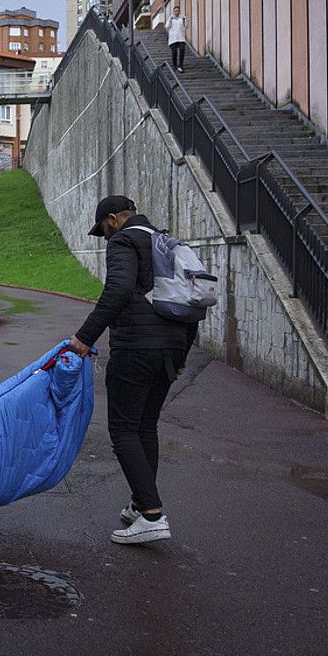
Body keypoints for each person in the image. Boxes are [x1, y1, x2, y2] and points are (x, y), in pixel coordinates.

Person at [69, 195, 195, 546]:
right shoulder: (167, 242)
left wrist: (84, 338)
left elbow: (118, 289)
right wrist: (182, 352)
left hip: (136, 349)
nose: (106, 237)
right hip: (171, 347)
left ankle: (152, 514)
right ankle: (141, 505)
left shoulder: (125, 239)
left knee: (123, 429)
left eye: (104, 230)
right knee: (144, 427)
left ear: (114, 219)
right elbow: (192, 299)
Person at [166, 5, 188, 73]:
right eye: (175, 11)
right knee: (174, 52)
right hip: (173, 38)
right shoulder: (171, 19)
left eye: (177, 11)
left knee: (182, 50)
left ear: (179, 11)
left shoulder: (182, 19)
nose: (176, 12)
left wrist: (185, 20)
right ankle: (174, 65)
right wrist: (170, 19)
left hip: (181, 38)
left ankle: (181, 65)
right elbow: (167, 26)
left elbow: (186, 26)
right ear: (173, 12)